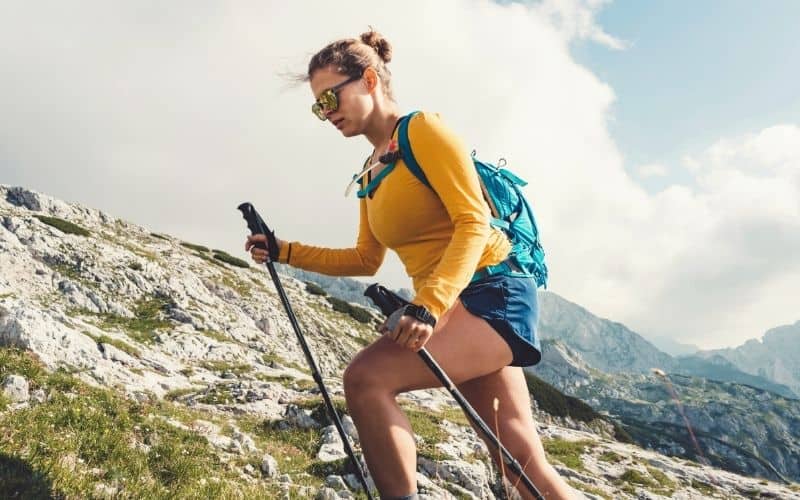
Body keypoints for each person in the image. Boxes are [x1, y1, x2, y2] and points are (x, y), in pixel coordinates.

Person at [246, 29, 575, 500]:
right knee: (520, 465)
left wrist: (429, 307)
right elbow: (365, 258)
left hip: (491, 295)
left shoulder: (423, 131)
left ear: (370, 80)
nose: (326, 113)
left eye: (331, 97)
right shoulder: (371, 169)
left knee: (366, 378)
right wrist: (284, 250)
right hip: (457, 308)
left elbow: (473, 221)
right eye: (318, 106)